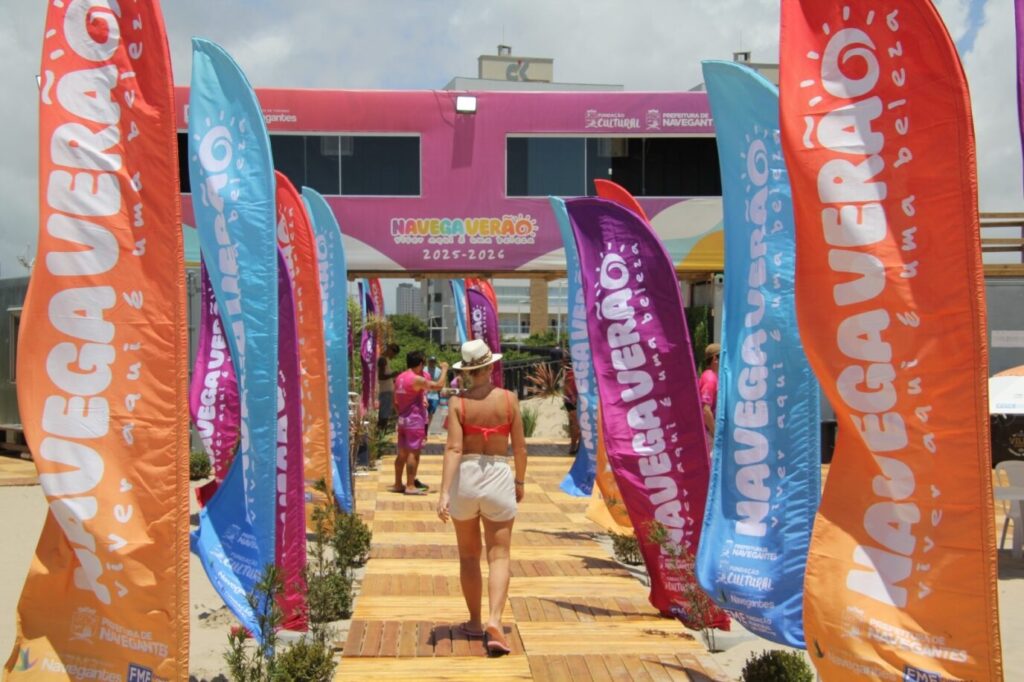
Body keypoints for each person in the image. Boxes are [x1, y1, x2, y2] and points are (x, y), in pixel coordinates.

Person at [437, 339, 527, 656]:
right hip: (499, 475)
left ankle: (475, 622)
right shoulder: (509, 400)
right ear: (490, 367)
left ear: (467, 371)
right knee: (499, 555)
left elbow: (454, 449)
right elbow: (520, 448)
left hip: (466, 477)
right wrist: (519, 480)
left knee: (468, 556)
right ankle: (495, 621)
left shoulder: (458, 403)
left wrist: (444, 492)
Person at [391, 350, 449, 495]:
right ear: (421, 364)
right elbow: (438, 386)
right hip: (414, 421)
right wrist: (444, 369)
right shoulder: (416, 379)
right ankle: (410, 485)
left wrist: (402, 413)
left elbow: (395, 401)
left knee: (402, 454)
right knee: (413, 453)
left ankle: (398, 484)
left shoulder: (400, 378)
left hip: (403, 420)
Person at [699, 343, 721, 453]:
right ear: (715, 359)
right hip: (708, 435)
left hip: (708, 433)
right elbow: (705, 410)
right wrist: (716, 435)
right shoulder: (710, 378)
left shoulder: (711, 376)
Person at [376, 343, 400, 431]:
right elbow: (381, 376)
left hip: (387, 390)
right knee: (384, 415)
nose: (393, 356)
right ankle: (381, 432)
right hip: (385, 390)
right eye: (393, 353)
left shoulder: (385, 359)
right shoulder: (382, 360)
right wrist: (392, 375)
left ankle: (381, 432)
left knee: (385, 413)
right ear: (389, 349)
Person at [561, 350, 580, 455]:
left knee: (574, 424)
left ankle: (574, 446)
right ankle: (575, 446)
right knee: (576, 424)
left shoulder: (570, 372)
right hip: (573, 400)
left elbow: (567, 387)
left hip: (571, 400)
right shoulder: (572, 372)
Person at [425, 356, 443, 423]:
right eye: (431, 361)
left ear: (435, 362)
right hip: (425, 395)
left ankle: (428, 426)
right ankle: (425, 425)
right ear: (428, 361)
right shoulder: (424, 369)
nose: (432, 362)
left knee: (432, 412)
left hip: (434, 395)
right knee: (424, 412)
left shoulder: (439, 371)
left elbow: (441, 382)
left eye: (433, 361)